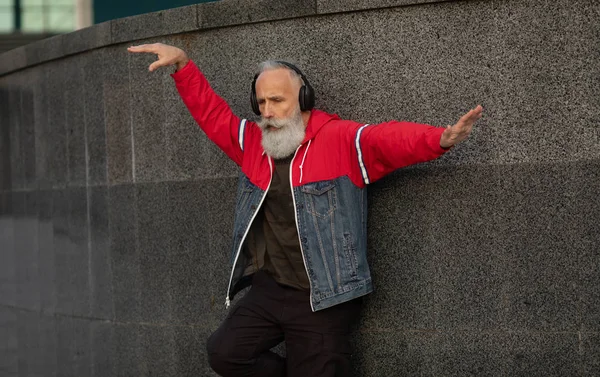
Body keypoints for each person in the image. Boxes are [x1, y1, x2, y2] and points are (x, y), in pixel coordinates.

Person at [128, 43, 483, 377]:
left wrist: (439, 139)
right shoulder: (253, 143)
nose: (267, 111)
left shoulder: (340, 139)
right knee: (225, 353)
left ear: (303, 99)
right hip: (270, 290)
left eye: (277, 101)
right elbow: (212, 114)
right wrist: (182, 66)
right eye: (262, 102)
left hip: (324, 294)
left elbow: (386, 139)